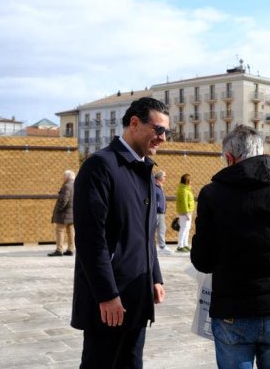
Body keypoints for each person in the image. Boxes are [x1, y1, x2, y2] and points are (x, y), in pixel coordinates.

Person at [191, 125, 270, 369]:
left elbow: (202, 261)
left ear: (229, 158)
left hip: (232, 311)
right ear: (261, 152)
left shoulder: (212, 194)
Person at [71, 97, 168, 368]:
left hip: (137, 295)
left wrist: (155, 278)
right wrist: (106, 294)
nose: (163, 138)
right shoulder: (100, 166)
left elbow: (145, 235)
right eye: (159, 130)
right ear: (134, 123)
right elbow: (91, 240)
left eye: (166, 132)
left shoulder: (145, 170)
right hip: (110, 301)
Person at [48, 170, 76, 256]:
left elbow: (64, 200)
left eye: (63, 176)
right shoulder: (75, 185)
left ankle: (59, 250)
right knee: (70, 231)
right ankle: (71, 249)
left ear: (67, 177)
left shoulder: (67, 186)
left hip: (64, 213)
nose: (62, 178)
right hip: (72, 213)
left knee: (60, 230)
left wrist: (59, 209)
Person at [153, 170, 172, 255]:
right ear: (159, 177)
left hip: (161, 212)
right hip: (155, 212)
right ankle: (153, 246)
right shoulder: (154, 186)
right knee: (153, 230)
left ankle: (162, 246)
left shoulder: (160, 186)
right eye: (164, 176)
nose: (165, 178)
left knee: (162, 229)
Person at [175, 173, 195, 252]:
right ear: (187, 181)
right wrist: (187, 212)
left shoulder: (186, 189)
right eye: (190, 180)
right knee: (183, 228)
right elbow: (184, 202)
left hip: (188, 212)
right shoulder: (183, 190)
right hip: (185, 213)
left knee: (187, 228)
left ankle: (185, 244)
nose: (191, 181)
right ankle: (180, 246)